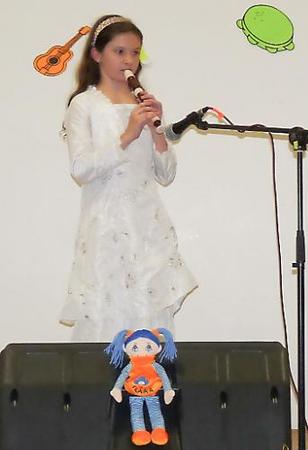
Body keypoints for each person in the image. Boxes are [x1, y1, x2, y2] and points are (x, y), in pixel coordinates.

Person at [60, 15, 197, 341]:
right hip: (106, 225)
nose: (128, 61)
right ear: (97, 54)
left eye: (134, 53)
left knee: (149, 318)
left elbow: (166, 174)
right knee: (107, 313)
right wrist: (128, 134)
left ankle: (150, 374)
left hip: (147, 224)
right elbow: (81, 169)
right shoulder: (84, 104)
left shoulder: (143, 103)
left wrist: (157, 130)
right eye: (119, 51)